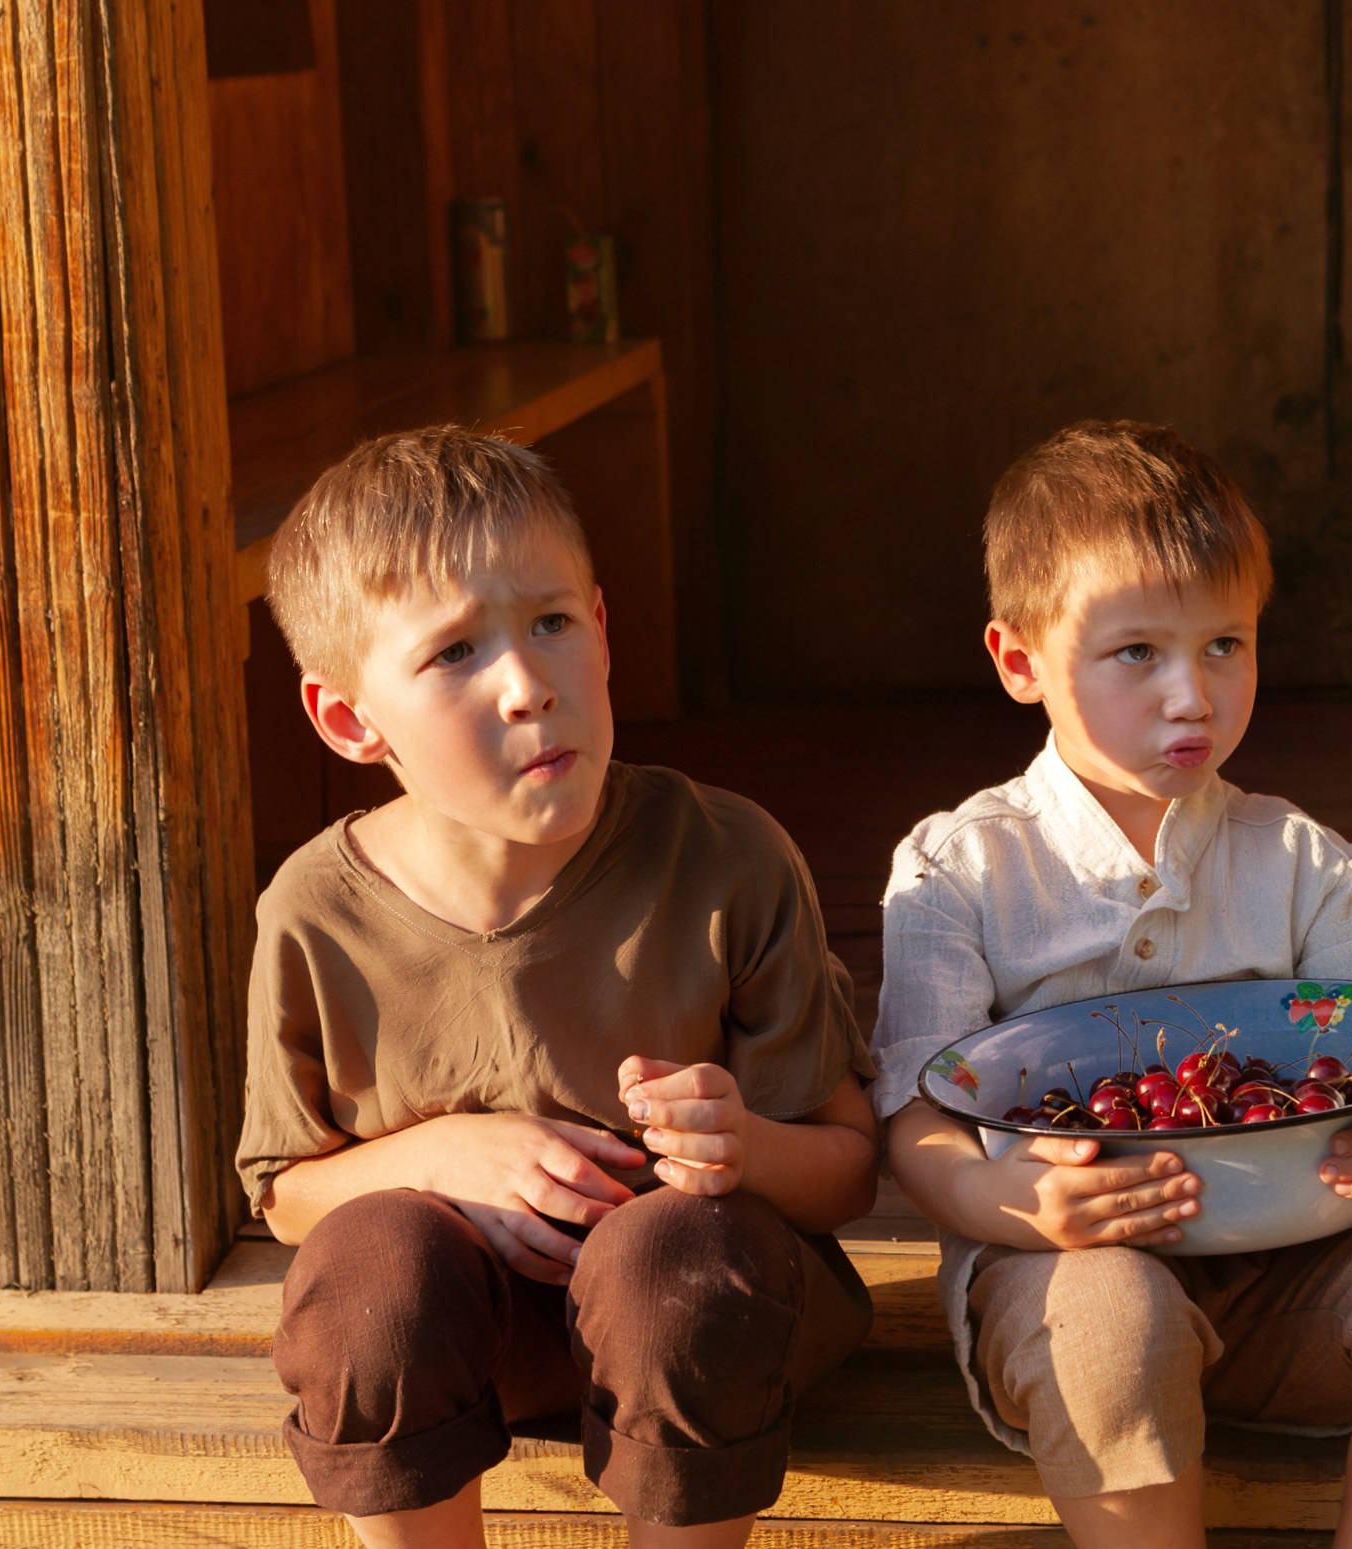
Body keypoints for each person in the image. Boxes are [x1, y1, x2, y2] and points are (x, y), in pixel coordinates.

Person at [872, 421, 1352, 1549]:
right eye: (1136, 653)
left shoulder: (1311, 868)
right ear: (1019, 660)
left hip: (1312, 1292)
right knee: (1110, 1310)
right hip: (1072, 1283)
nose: (1191, 694)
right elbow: (914, 1120)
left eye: (1225, 645)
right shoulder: (958, 871)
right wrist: (1009, 1207)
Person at [237, 426, 879, 1549]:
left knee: (667, 1257)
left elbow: (847, 1172)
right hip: (473, 1338)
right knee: (369, 1267)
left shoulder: (725, 858)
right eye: (453, 654)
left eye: (550, 624)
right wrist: (436, 1155)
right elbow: (287, 1194)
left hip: (707, 1318)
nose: (528, 686)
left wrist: (745, 1150)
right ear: (348, 717)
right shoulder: (316, 912)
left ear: (602, 629)